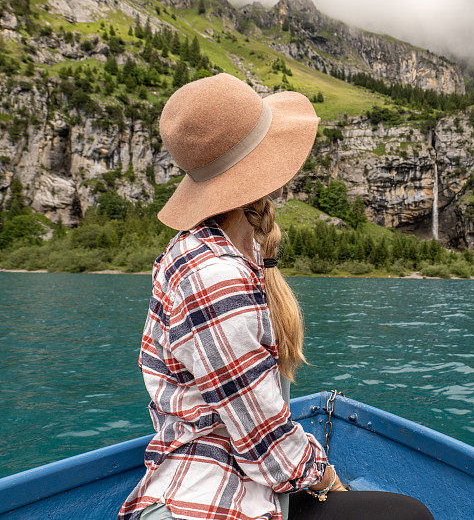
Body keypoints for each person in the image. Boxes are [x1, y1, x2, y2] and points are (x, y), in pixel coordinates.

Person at [118, 73, 434, 520]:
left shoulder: (205, 251)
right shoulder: (217, 277)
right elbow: (264, 442)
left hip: (236, 470)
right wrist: (327, 479)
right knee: (410, 515)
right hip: (212, 493)